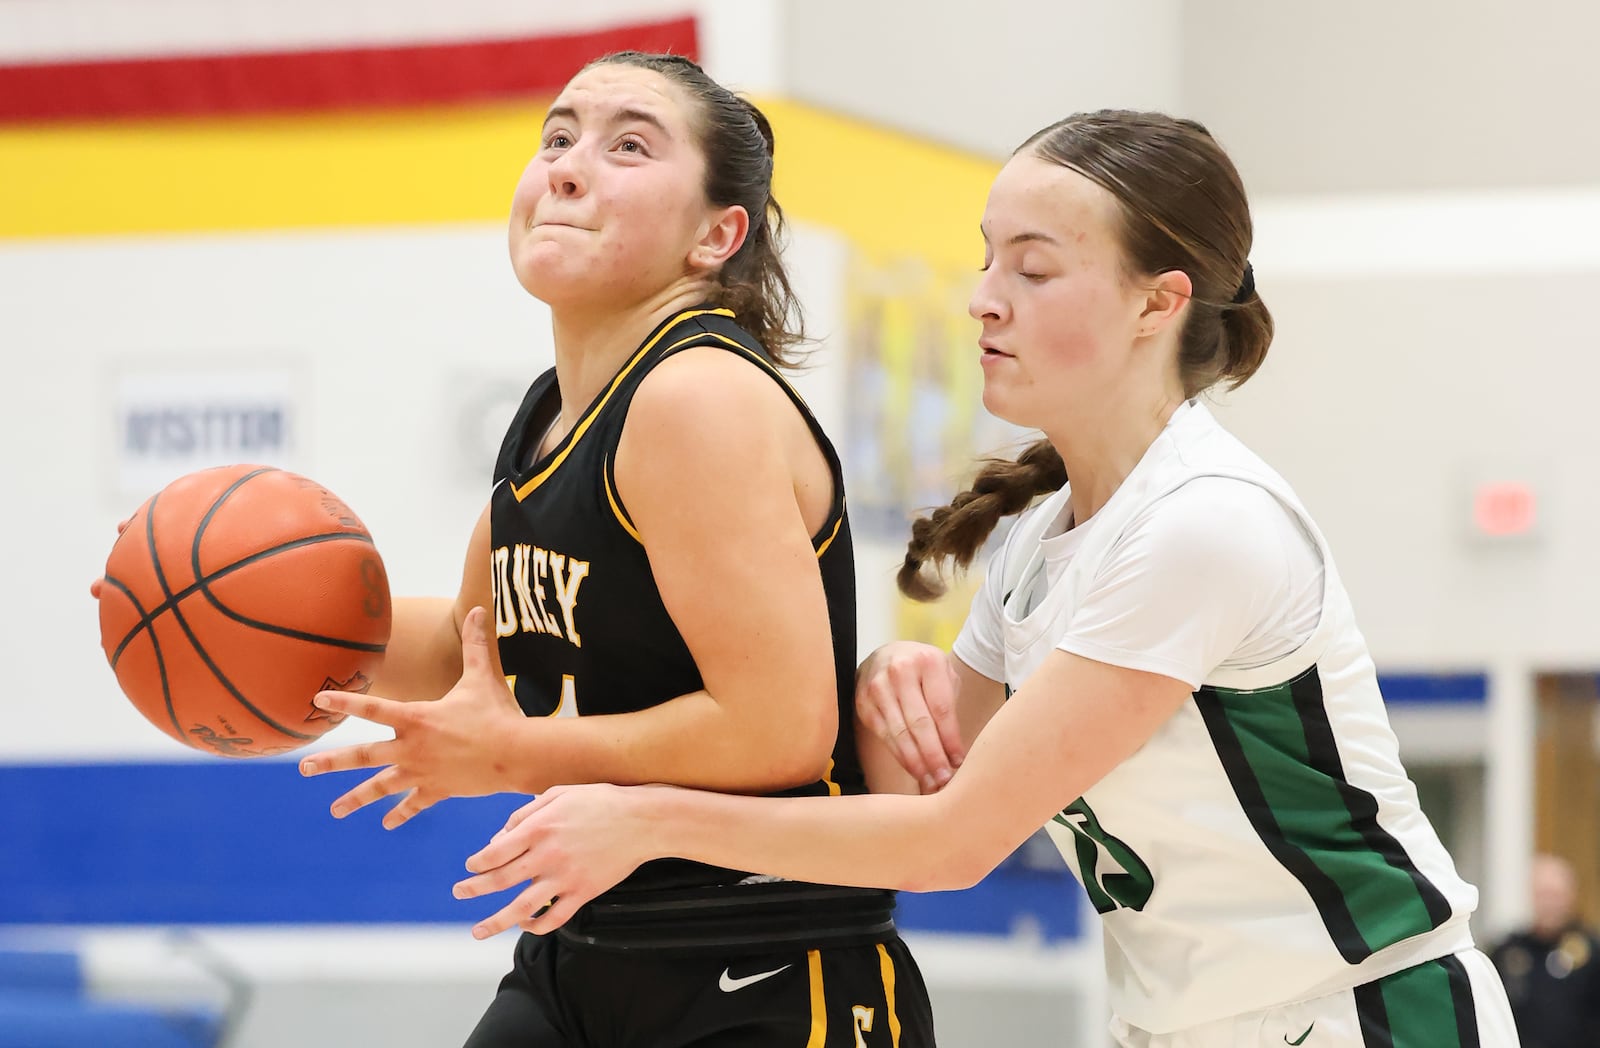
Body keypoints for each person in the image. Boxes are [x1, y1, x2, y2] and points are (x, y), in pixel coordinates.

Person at [451, 110, 1522, 1048]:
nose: (982, 301)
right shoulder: (1037, 540)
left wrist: (648, 814)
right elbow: (909, 781)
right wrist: (880, 680)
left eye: (1032, 267)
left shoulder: (1203, 524)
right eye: (985, 259)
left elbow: (952, 841)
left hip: (1368, 1013)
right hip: (1182, 1023)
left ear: (1157, 304)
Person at [294, 51, 935, 1048]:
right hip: (585, 944)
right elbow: (473, 644)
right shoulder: (553, 415)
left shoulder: (696, 395)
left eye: (627, 145)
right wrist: (262, 629)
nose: (566, 165)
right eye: (555, 137)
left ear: (716, 235)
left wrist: (514, 751)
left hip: (760, 958)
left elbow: (779, 725)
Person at [1490, 854, 1600, 1047]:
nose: (1550, 904)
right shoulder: (1508, 952)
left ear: (1571, 896)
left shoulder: (1592, 953)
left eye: (1556, 895)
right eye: (1543, 895)